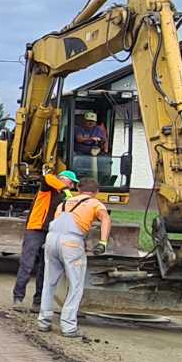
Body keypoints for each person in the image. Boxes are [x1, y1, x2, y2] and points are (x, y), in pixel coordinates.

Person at [38, 176, 112, 339]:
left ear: (78, 190)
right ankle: (68, 326)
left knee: (49, 282)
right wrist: (103, 242)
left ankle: (44, 321)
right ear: (96, 192)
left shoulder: (64, 203)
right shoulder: (95, 203)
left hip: (51, 240)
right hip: (71, 243)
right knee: (75, 285)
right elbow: (106, 219)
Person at [12, 169, 76, 309]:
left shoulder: (65, 197)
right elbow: (47, 177)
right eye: (71, 183)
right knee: (27, 264)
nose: (72, 186)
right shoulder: (47, 188)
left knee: (46, 268)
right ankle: (18, 298)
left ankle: (38, 302)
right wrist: (64, 189)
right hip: (35, 229)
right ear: (62, 179)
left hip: (51, 232)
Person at [71, 111, 110, 185]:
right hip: (79, 153)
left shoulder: (98, 130)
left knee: (105, 160)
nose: (90, 123)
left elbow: (104, 140)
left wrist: (103, 145)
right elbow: (79, 139)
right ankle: (76, 181)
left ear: (95, 122)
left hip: (94, 153)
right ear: (84, 121)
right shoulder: (78, 128)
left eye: (92, 121)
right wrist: (91, 138)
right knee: (76, 159)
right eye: (88, 121)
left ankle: (102, 182)